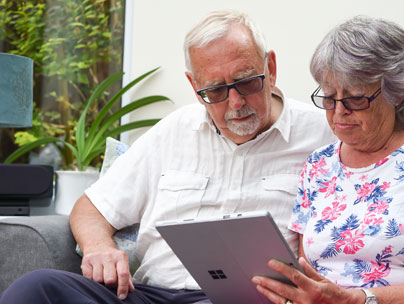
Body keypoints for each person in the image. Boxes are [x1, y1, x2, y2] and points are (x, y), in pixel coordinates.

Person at [0, 10, 335, 304]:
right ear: (194, 86)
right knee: (36, 287)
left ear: (270, 68)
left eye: (245, 82)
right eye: (215, 90)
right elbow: (90, 209)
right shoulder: (174, 131)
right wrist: (98, 246)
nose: (234, 102)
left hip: (246, 299)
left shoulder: (325, 134)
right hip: (148, 294)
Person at [252, 16, 404, 304]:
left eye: (355, 98)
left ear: (396, 93)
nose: (338, 112)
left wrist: (357, 300)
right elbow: (306, 271)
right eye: (328, 97)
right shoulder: (319, 164)